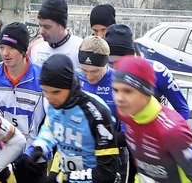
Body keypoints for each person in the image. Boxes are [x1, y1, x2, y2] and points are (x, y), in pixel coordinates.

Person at [16, 53, 119, 182]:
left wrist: (61, 178)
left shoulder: (97, 112)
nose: (49, 97)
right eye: (45, 91)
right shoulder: (55, 104)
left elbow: (107, 173)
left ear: (70, 86)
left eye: (56, 92)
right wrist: (36, 149)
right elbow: (50, 129)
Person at [112, 56, 192, 182]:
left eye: (128, 91)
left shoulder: (172, 131)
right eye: (116, 90)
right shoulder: (129, 116)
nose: (119, 98)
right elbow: (144, 172)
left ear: (146, 92)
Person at [0, 22, 45, 182]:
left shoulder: (42, 76)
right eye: (1, 47)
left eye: (11, 47)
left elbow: (51, 121)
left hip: (33, 158)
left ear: (23, 50)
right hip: (3, 156)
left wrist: (36, 152)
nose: (5, 53)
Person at [105, 24, 189, 119]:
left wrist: (173, 130)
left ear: (132, 57)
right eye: (110, 64)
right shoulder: (100, 73)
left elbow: (183, 109)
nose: (116, 69)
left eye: (120, 63)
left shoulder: (159, 72)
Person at [28, 0, 83, 69]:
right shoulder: (36, 49)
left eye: (47, 27)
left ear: (62, 25)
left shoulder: (80, 49)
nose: (41, 31)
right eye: (40, 25)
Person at [77, 36, 117, 118]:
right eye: (84, 70)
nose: (89, 77)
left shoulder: (118, 81)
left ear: (106, 64)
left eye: (95, 71)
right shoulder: (74, 78)